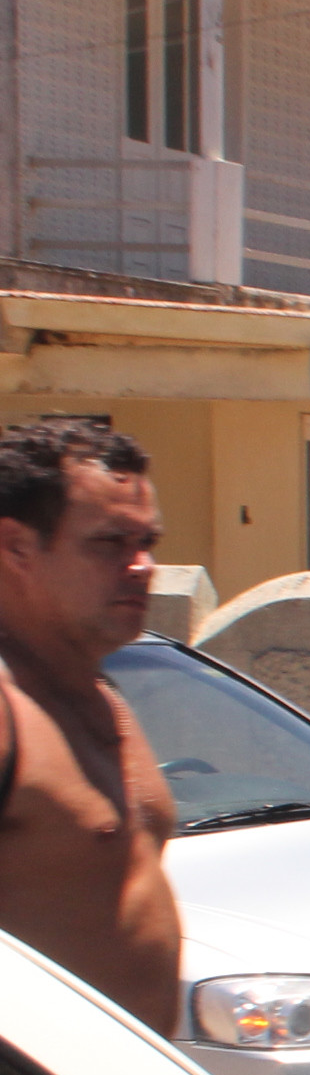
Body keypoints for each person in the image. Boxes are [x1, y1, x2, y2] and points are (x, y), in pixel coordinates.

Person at [0, 417, 180, 1031]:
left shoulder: (105, 698)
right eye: (110, 543)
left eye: (148, 542)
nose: (142, 566)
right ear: (17, 547)